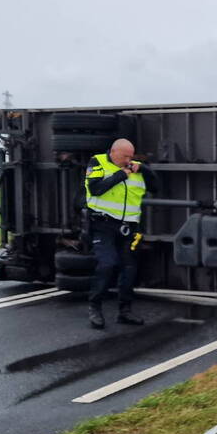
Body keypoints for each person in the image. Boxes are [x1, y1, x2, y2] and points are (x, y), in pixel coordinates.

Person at [84, 138, 158, 329]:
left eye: (131, 156)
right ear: (114, 152)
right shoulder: (97, 162)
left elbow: (156, 187)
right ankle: (95, 307)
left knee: (129, 268)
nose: (128, 160)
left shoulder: (136, 168)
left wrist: (143, 170)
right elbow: (96, 188)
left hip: (129, 227)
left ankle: (124, 311)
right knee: (107, 264)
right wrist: (121, 175)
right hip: (103, 225)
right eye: (125, 156)